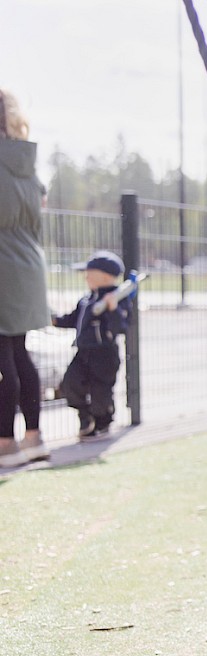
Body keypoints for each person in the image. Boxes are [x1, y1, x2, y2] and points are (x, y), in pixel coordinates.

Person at [0, 88, 49, 467]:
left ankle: (5, 444)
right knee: (19, 354)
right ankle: (33, 438)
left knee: (4, 362)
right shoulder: (27, 163)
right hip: (29, 266)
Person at [52, 251, 132, 438]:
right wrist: (55, 321)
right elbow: (73, 319)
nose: (85, 276)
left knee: (100, 390)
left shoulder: (118, 298)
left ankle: (103, 421)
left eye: (89, 272)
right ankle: (85, 417)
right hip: (84, 351)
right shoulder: (87, 299)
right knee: (70, 383)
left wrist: (112, 308)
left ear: (104, 276)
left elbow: (121, 326)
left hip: (104, 353)